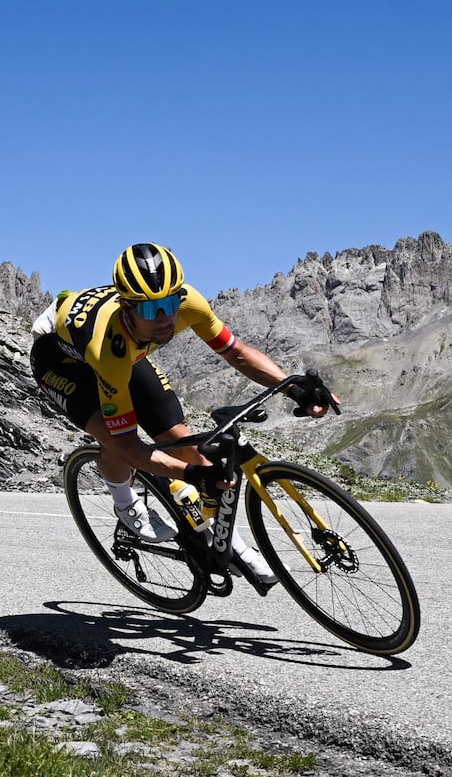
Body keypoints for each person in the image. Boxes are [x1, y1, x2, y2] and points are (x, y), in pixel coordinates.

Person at [30, 242, 336, 588]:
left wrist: (293, 388)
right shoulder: (108, 348)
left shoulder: (190, 302)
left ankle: (229, 546)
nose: (164, 319)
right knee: (113, 441)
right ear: (127, 308)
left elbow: (236, 353)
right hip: (60, 361)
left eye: (170, 304)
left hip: (127, 352)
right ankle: (125, 504)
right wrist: (190, 474)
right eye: (151, 310)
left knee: (180, 439)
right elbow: (128, 445)